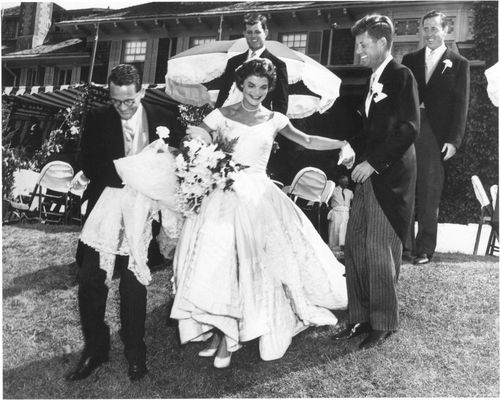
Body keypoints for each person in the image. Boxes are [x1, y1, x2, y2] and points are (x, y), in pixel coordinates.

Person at [171, 58, 354, 368]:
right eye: (251, 85)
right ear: (241, 85)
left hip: (258, 197)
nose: (256, 92)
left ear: (270, 88)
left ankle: (233, 336)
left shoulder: (275, 119)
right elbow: (193, 140)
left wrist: (342, 143)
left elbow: (307, 140)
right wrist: (197, 156)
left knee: (249, 266)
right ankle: (219, 332)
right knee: (217, 263)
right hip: (223, 193)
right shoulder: (221, 115)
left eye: (263, 87)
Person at [66, 64, 184, 382]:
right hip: (106, 206)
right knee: (91, 278)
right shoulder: (97, 118)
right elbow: (88, 162)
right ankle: (95, 349)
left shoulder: (165, 116)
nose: (121, 107)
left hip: (144, 212)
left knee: (134, 284)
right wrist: (129, 171)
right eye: (116, 100)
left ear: (141, 92)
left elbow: (177, 163)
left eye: (128, 101)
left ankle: (135, 353)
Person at [332, 15, 419, 349]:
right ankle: (358, 317)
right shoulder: (372, 79)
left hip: (390, 176)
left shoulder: (401, 76)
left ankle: (383, 322)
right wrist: (350, 147)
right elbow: (371, 130)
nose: (359, 50)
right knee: (355, 243)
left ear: (383, 43)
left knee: (378, 247)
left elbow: (408, 128)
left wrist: (374, 162)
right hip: (367, 173)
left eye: (364, 44)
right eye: (358, 44)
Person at [401, 10, 470, 265]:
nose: (429, 33)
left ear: (446, 30)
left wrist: (454, 140)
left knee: (430, 193)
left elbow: (461, 105)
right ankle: (404, 246)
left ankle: (424, 249)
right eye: (426, 28)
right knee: (405, 187)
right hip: (410, 131)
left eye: (434, 28)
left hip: (436, 135)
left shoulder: (459, 63)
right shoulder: (409, 59)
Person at [215, 13, 288, 114]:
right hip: (230, 121)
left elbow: (281, 104)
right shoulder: (233, 62)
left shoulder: (277, 65)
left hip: (259, 123)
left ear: (266, 33)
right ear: (244, 33)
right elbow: (222, 96)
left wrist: (273, 127)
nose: (253, 36)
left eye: (257, 32)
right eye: (249, 32)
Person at [328, 175, 353, 251]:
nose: (347, 183)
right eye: (345, 181)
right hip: (336, 214)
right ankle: (334, 249)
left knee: (344, 232)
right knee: (335, 231)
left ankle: (344, 250)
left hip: (346, 214)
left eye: (347, 181)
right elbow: (325, 200)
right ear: (340, 181)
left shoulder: (350, 192)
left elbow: (354, 202)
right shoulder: (333, 190)